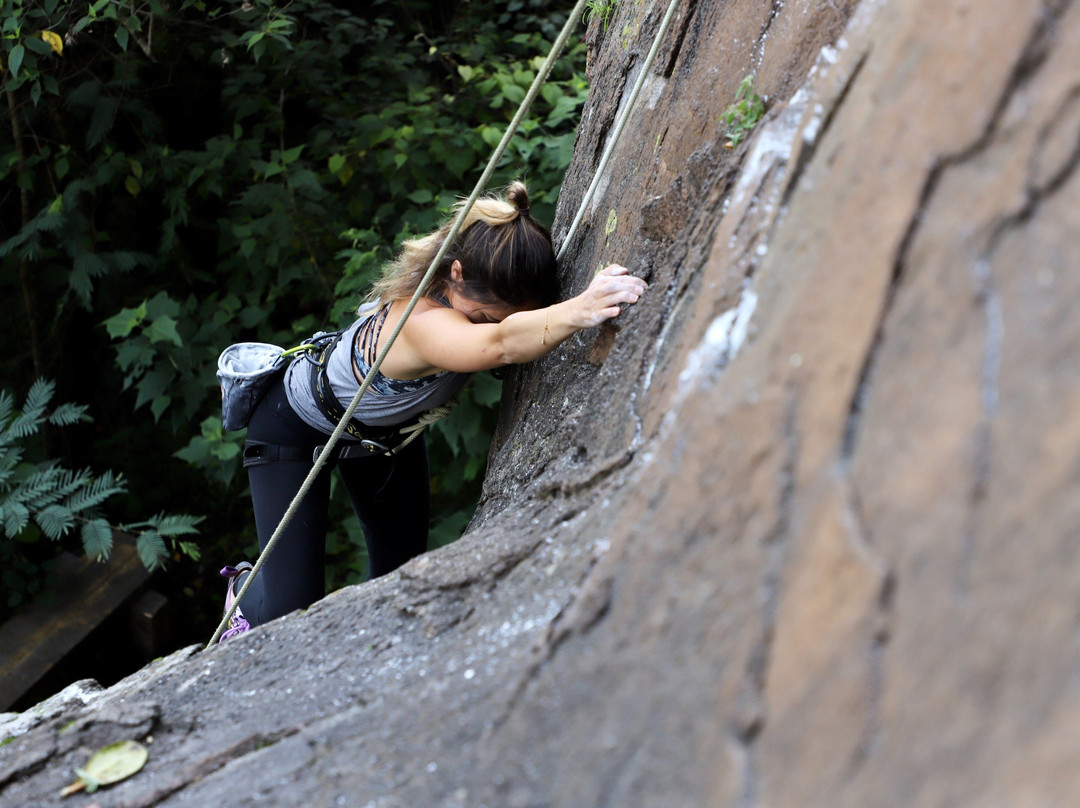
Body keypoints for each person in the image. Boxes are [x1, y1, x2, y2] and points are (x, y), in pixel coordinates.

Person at [219, 182, 647, 640]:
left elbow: (503, 329)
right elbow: (499, 345)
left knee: (401, 577)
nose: (492, 323)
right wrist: (582, 308)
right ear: (457, 273)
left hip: (381, 439)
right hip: (290, 428)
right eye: (484, 315)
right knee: (286, 613)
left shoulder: (485, 277)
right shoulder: (421, 323)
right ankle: (244, 589)